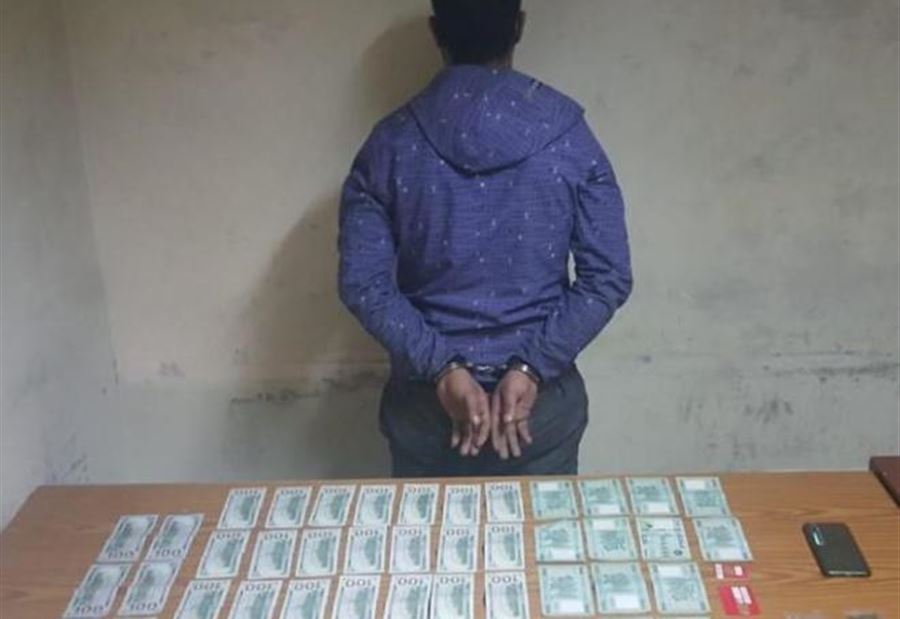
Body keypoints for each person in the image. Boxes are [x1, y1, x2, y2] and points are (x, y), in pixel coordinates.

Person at [338, 0, 632, 477]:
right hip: (539, 410)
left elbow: (364, 284)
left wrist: (443, 368)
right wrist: (530, 367)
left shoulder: (387, 145)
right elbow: (608, 277)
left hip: (427, 409)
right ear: (519, 26)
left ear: (436, 32)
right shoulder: (571, 138)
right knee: (540, 528)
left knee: (429, 528)